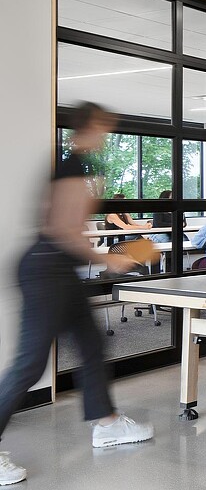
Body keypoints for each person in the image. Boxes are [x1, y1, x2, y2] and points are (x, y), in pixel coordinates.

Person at [0, 103, 154, 486]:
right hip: (46, 269)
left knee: (90, 346)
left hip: (56, 269)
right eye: (104, 126)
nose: (106, 133)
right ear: (92, 127)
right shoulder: (74, 166)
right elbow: (63, 230)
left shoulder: (78, 166)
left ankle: (106, 424)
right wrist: (108, 259)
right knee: (29, 365)